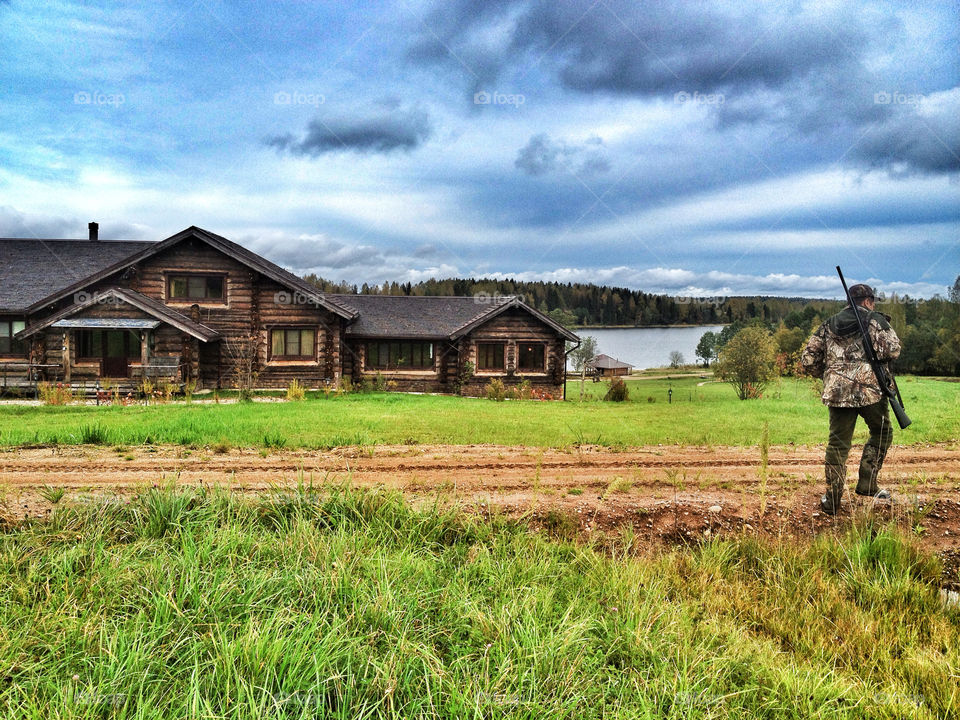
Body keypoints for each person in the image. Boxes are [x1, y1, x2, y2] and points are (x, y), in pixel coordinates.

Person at [800, 283, 901, 515]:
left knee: (837, 444)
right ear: (868, 301)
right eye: (872, 301)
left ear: (848, 301)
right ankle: (867, 483)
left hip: (837, 392)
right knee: (882, 431)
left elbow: (808, 359)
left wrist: (831, 375)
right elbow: (892, 350)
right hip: (870, 390)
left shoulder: (828, 324)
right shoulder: (875, 320)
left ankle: (833, 500)